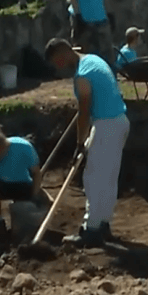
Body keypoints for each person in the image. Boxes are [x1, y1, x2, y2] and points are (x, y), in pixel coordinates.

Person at [44, 38, 130, 247]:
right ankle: (103, 225)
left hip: (106, 125)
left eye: (57, 62)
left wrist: (80, 143)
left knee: (93, 178)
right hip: (120, 121)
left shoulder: (82, 75)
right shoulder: (92, 59)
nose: (58, 67)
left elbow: (84, 111)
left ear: (63, 54)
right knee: (108, 178)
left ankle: (90, 230)